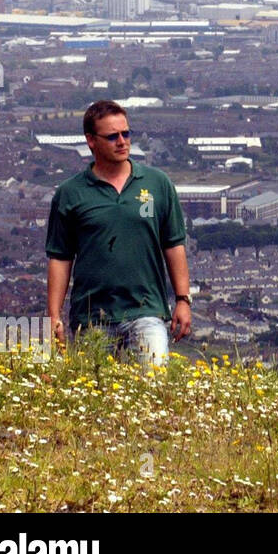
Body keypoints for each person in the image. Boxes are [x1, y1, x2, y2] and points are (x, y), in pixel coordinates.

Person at [45, 100, 191, 367]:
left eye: (126, 133)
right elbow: (60, 258)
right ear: (91, 141)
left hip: (147, 309)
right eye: (112, 136)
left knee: (154, 385)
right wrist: (54, 316)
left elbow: (174, 244)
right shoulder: (70, 194)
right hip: (92, 317)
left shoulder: (157, 184)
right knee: (95, 395)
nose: (122, 141)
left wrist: (183, 299)